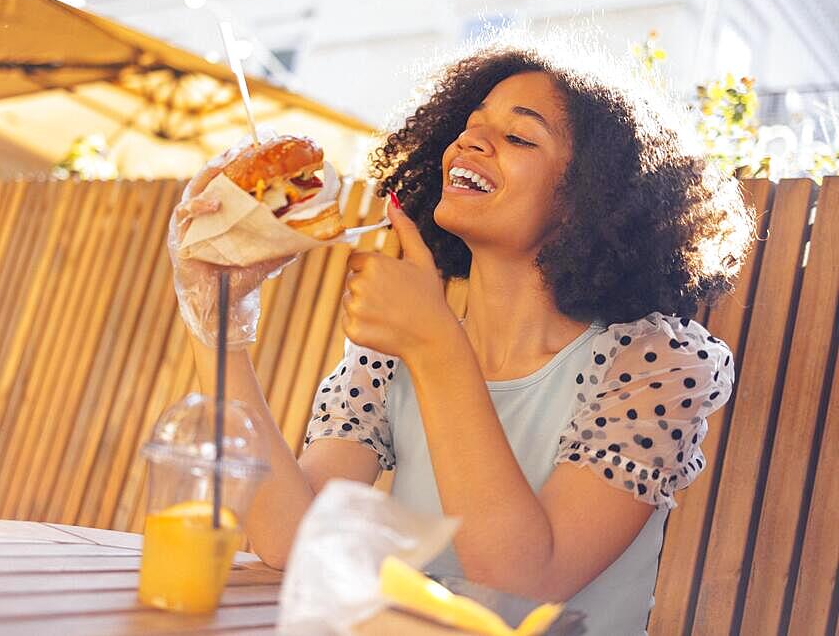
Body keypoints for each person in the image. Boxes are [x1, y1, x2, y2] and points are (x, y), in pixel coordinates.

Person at [168, 38, 755, 634]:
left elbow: (524, 581)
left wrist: (433, 344)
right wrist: (216, 318)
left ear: (590, 201)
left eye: (520, 137)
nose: (471, 142)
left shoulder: (659, 364)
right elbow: (293, 538)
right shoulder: (391, 355)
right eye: (471, 127)